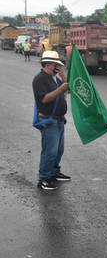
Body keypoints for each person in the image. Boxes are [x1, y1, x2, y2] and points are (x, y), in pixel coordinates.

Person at [32, 51, 71, 190]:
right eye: (56, 65)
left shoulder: (55, 78)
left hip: (59, 119)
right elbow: (44, 99)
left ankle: (54, 172)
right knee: (50, 151)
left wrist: (63, 76)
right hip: (49, 120)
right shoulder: (40, 79)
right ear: (48, 64)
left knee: (59, 150)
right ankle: (44, 178)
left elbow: (67, 90)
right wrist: (60, 89)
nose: (58, 67)